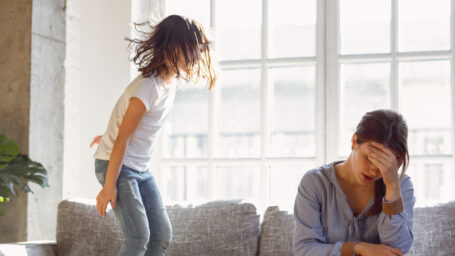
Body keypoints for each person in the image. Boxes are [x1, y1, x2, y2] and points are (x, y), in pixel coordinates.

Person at [90, 15, 216, 256]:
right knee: (138, 236)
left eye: (201, 50)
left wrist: (106, 134)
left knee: (161, 235)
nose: (199, 57)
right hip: (116, 164)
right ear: (173, 48)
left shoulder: (170, 83)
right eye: (194, 50)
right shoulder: (148, 87)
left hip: (139, 168)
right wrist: (109, 187)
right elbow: (122, 139)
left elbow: (129, 123)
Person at [293, 109, 415, 256]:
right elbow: (304, 249)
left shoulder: (401, 186)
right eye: (370, 158)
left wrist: (392, 189)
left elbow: (398, 248)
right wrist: (358, 248)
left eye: (383, 163)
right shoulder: (315, 183)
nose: (374, 171)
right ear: (354, 142)